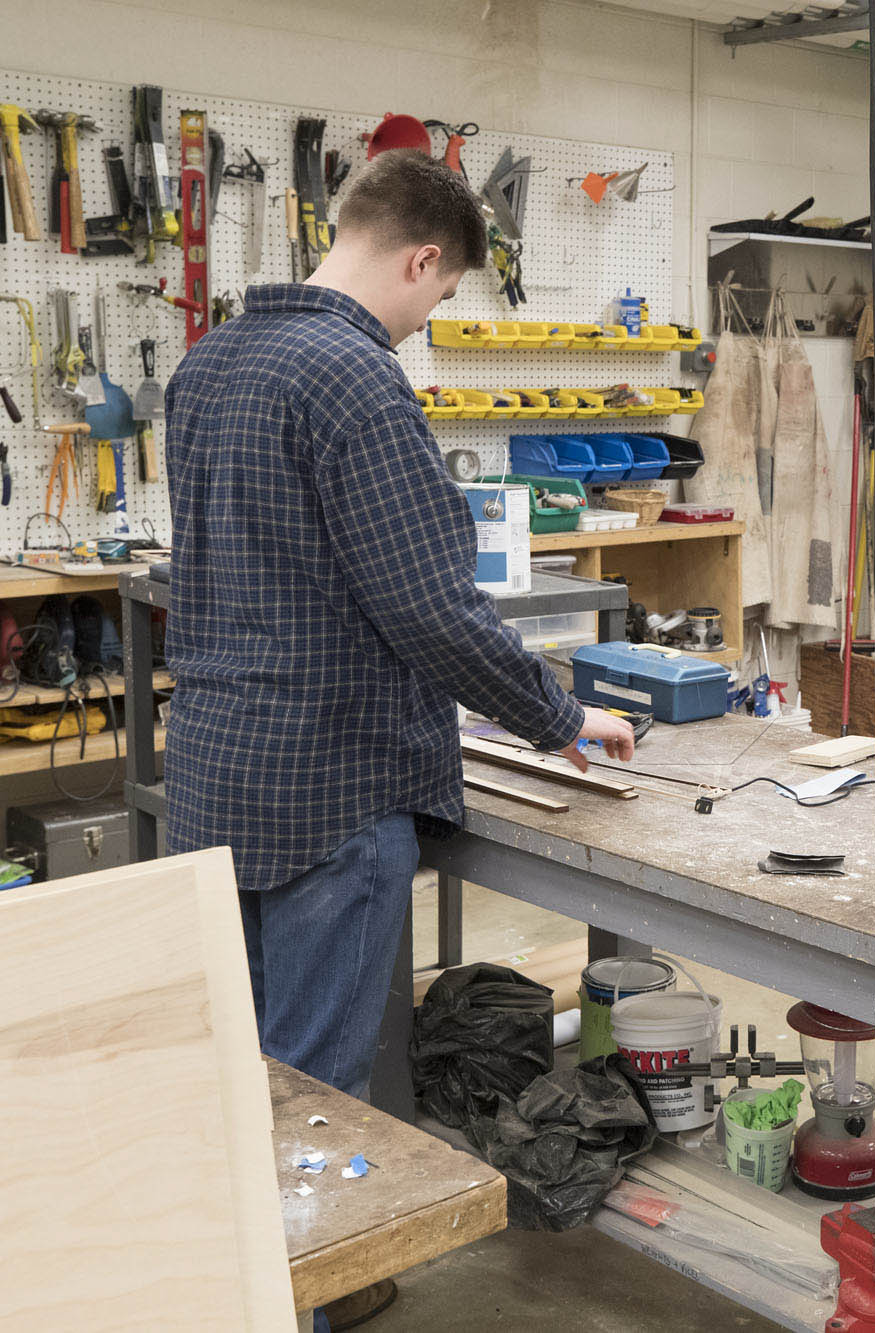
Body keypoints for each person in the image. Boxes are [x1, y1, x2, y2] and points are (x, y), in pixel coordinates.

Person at [165, 151, 634, 1104]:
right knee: (317, 1098)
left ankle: (257, 1254)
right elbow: (432, 608)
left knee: (239, 1075)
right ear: (421, 261)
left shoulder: (206, 362)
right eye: (447, 290)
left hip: (215, 774)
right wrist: (558, 716)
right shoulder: (357, 380)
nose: (432, 316)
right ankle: (328, 1256)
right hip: (329, 794)